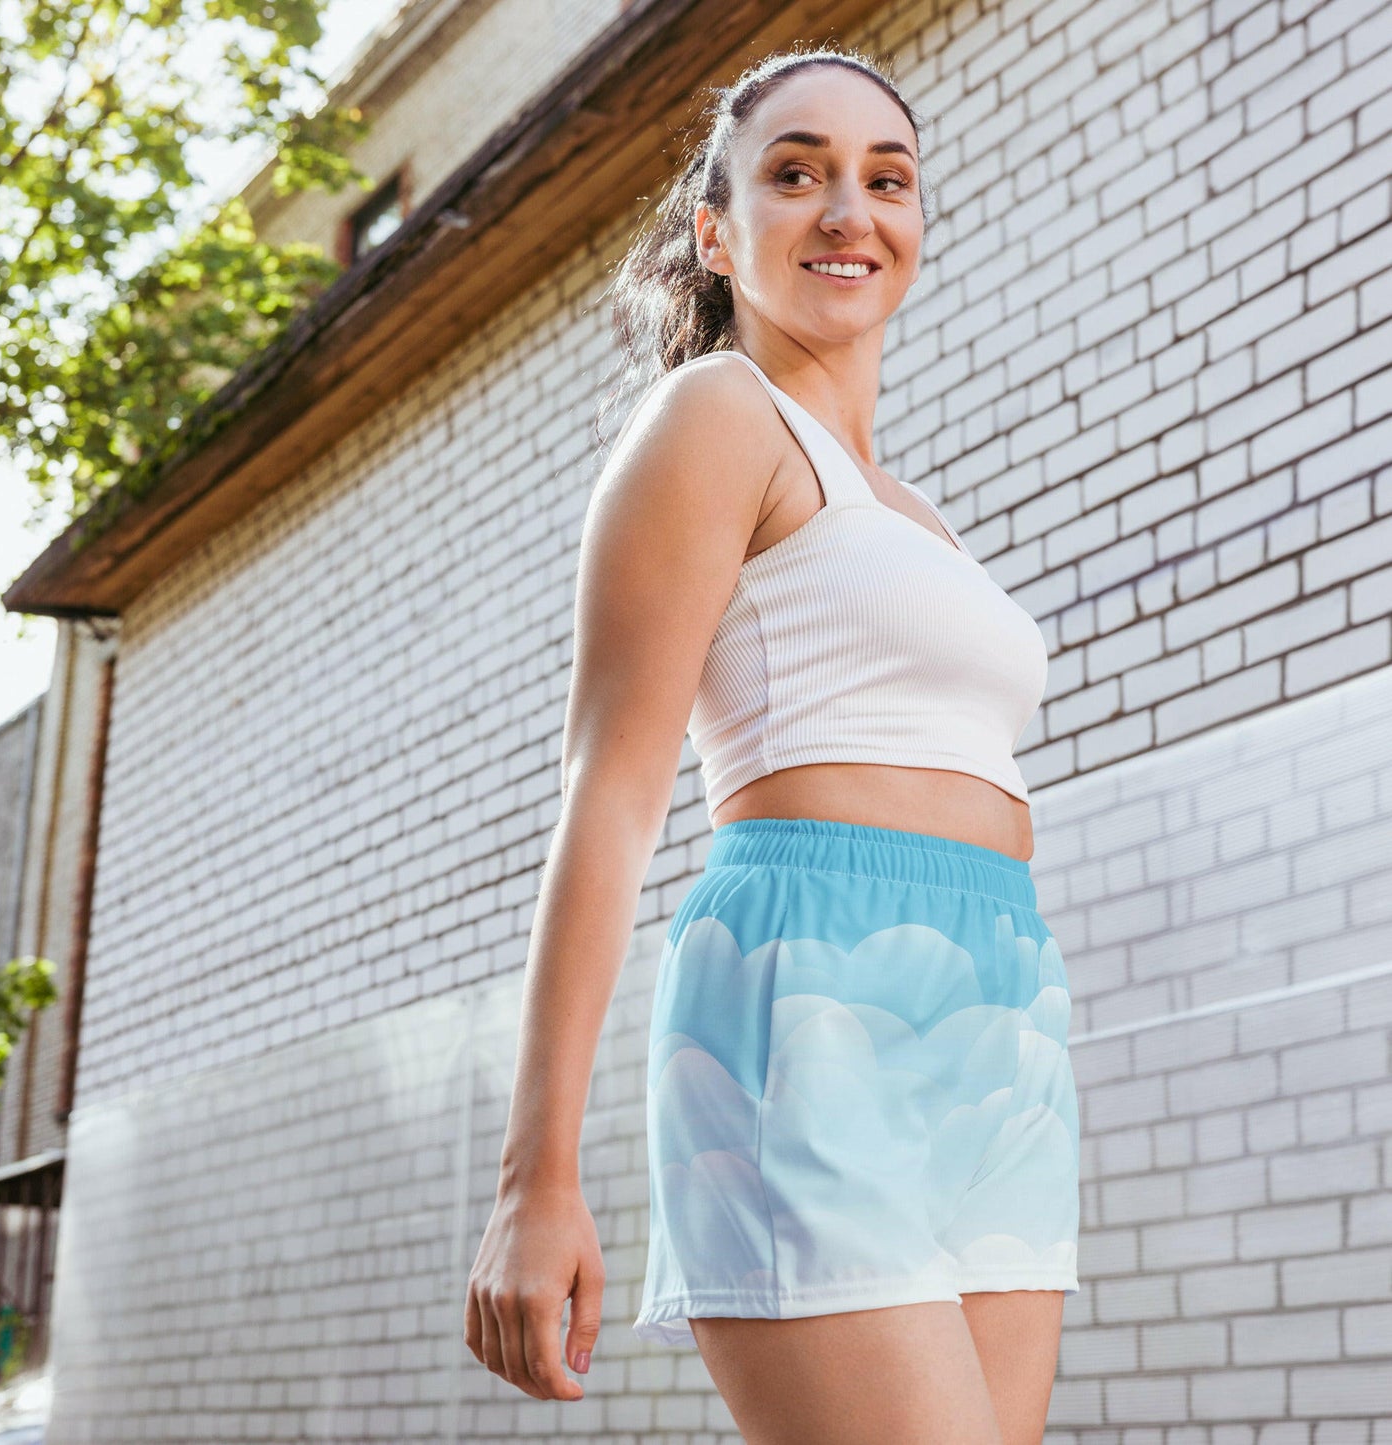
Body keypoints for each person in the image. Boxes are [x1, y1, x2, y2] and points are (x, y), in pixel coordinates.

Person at [464, 44, 1081, 1445]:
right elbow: (609, 795)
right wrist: (534, 1176)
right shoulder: (713, 418)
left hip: (996, 1012)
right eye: (795, 173)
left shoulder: (915, 509)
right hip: (804, 990)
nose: (847, 210)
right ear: (714, 230)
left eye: (886, 179)